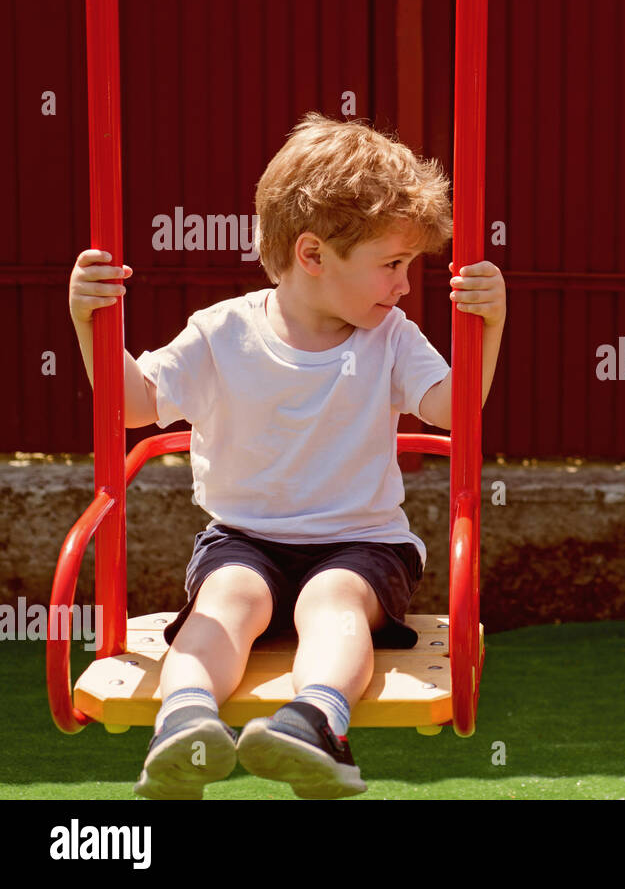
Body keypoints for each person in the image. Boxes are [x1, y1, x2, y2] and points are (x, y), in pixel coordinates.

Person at [66, 112, 506, 798]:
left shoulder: (389, 337)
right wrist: (93, 321)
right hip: (244, 539)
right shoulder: (222, 333)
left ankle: (315, 722)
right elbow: (134, 406)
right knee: (227, 598)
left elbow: (455, 410)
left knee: (334, 600)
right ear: (312, 255)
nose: (403, 285)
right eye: (391, 265)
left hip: (361, 544)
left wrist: (487, 325)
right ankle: (183, 725)